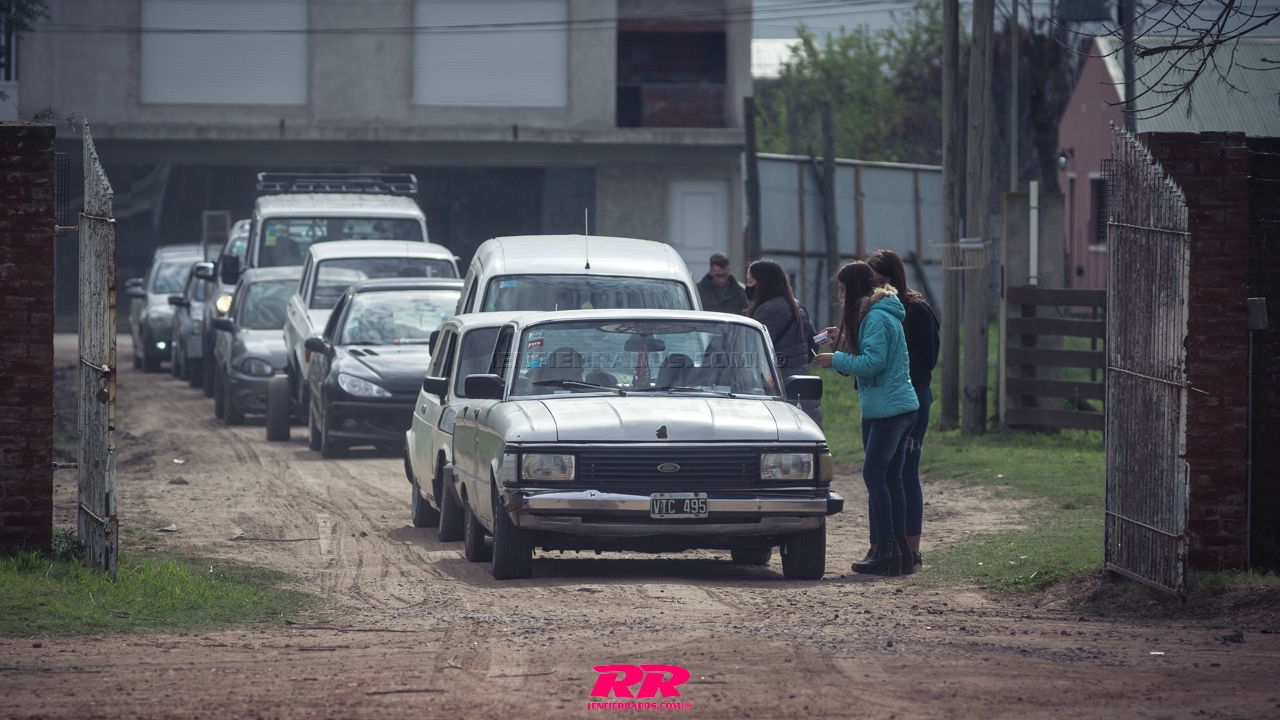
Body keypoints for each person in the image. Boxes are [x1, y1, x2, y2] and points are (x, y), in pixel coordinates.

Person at [814, 261, 918, 576]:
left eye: (843, 290)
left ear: (856, 288)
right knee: (892, 479)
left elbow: (873, 363)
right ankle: (900, 552)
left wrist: (836, 358)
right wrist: (844, 343)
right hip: (896, 407)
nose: (840, 297)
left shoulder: (875, 317)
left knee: (874, 476)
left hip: (888, 410)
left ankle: (886, 549)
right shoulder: (881, 314)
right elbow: (872, 357)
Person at [867, 249, 939, 572]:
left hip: (911, 395)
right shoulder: (870, 309)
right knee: (879, 475)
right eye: (872, 281)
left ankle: (911, 550)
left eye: (881, 280)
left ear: (895, 278)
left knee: (905, 473)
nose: (876, 287)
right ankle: (882, 546)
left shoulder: (917, 309)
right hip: (879, 398)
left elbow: (928, 358)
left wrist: (893, 367)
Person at [744, 259, 821, 426]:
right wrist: (797, 363)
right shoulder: (797, 305)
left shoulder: (767, 310)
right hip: (803, 383)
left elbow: (752, 350)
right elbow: (814, 343)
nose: (747, 286)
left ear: (762, 284)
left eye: (750, 281)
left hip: (779, 388)